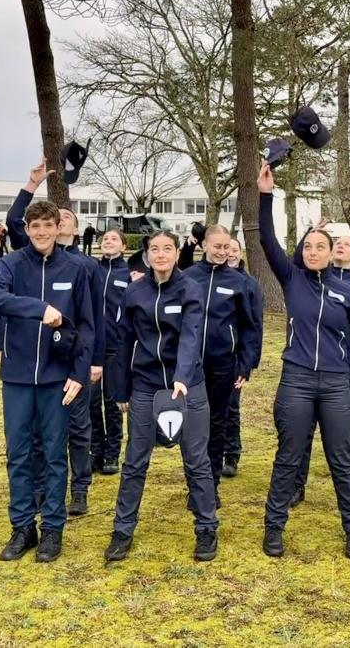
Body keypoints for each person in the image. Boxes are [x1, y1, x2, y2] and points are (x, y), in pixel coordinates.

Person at [257, 161, 350, 559]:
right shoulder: (292, 278)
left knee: (342, 461)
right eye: (308, 247)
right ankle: (274, 527)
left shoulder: (349, 290)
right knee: (288, 457)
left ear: (332, 254)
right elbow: (266, 239)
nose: (313, 252)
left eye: (321, 247)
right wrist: (265, 196)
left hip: (335, 384)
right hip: (295, 381)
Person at [0, 198, 93, 563]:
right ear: (27, 229)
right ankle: (22, 527)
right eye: (36, 226)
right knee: (18, 454)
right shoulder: (11, 264)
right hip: (17, 376)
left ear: (59, 228)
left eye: (49, 225)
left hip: (57, 377)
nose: (43, 232)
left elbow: (87, 326)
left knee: (53, 454)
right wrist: (39, 309)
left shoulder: (76, 268)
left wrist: (79, 373)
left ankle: (52, 529)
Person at [105, 230, 218, 563]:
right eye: (154, 249)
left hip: (189, 385)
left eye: (167, 248)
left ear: (176, 253)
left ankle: (206, 528)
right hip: (146, 384)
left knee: (196, 461)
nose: (161, 254)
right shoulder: (134, 292)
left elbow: (191, 336)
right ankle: (122, 530)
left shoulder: (191, 289)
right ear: (147, 254)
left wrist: (182, 376)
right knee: (134, 461)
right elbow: (123, 340)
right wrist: (121, 388)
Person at [5, 161, 103, 518]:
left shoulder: (83, 266)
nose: (47, 228)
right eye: (39, 224)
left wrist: (93, 361)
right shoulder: (22, 259)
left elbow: (93, 320)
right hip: (29, 371)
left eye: (57, 221)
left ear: (67, 227)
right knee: (32, 438)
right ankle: (36, 494)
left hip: (68, 366)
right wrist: (30, 185)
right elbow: (14, 220)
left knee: (75, 429)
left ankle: (79, 489)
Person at [292, 230, 350, 506]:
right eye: (338, 242)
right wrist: (309, 233)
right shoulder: (311, 280)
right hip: (313, 370)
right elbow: (296, 261)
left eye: (347, 244)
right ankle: (296, 485)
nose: (342, 245)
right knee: (302, 431)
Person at [182, 224, 262, 505]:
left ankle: (210, 486)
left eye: (226, 247)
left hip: (223, 365)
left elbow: (250, 327)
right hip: (190, 367)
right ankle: (194, 484)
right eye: (217, 246)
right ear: (204, 245)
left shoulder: (239, 282)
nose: (222, 251)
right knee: (191, 427)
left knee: (216, 424)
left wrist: (246, 365)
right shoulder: (188, 277)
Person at [90, 227, 128, 475]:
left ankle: (112, 454)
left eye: (114, 239)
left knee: (112, 404)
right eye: (105, 239)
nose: (109, 242)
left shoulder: (129, 274)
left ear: (123, 246)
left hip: (116, 347)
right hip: (92, 348)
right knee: (91, 404)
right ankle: (96, 452)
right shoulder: (92, 269)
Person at [220, 236, 258, 478]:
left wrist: (248, 363)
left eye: (234, 249)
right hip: (211, 358)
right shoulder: (210, 278)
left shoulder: (249, 284)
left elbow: (255, 326)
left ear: (241, 253)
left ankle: (231, 454)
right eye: (226, 249)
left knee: (230, 408)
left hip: (235, 358)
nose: (230, 253)